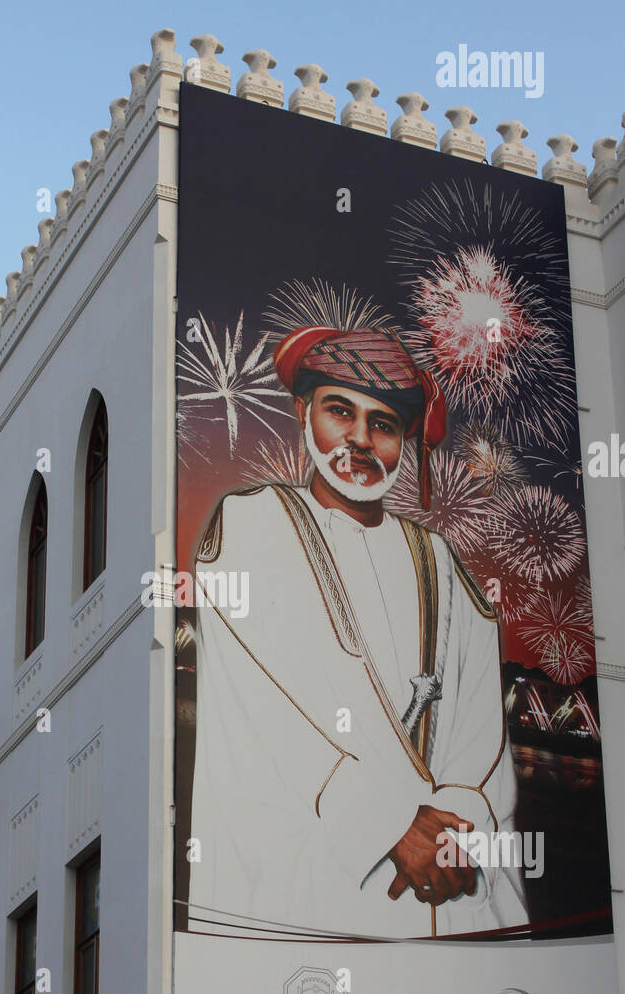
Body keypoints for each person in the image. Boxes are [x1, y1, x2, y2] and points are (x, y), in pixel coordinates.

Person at [186, 326, 528, 940]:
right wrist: (390, 822)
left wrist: (458, 831)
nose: (360, 440)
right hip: (313, 889)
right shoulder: (252, 525)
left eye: (385, 424)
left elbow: (482, 734)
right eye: (340, 411)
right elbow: (256, 712)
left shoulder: (441, 563)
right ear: (302, 412)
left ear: (404, 442)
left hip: (445, 891)